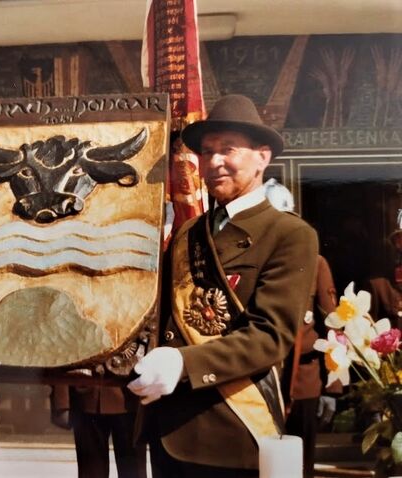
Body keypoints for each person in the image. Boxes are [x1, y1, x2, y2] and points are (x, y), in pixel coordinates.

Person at [128, 94, 319, 477]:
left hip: (231, 430)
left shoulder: (289, 234)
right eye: (206, 151)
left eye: (228, 149)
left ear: (262, 157)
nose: (214, 162)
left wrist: (184, 363)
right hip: (167, 425)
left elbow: (270, 336)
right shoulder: (187, 232)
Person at [264, 178, 341, 478]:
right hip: (262, 379)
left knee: (301, 464)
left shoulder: (316, 263)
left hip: (303, 381)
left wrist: (332, 389)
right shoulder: (254, 264)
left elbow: (333, 325)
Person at [50, 384, 147, 478]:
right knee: (91, 472)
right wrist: (62, 401)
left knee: (133, 471)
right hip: (87, 396)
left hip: (130, 395)